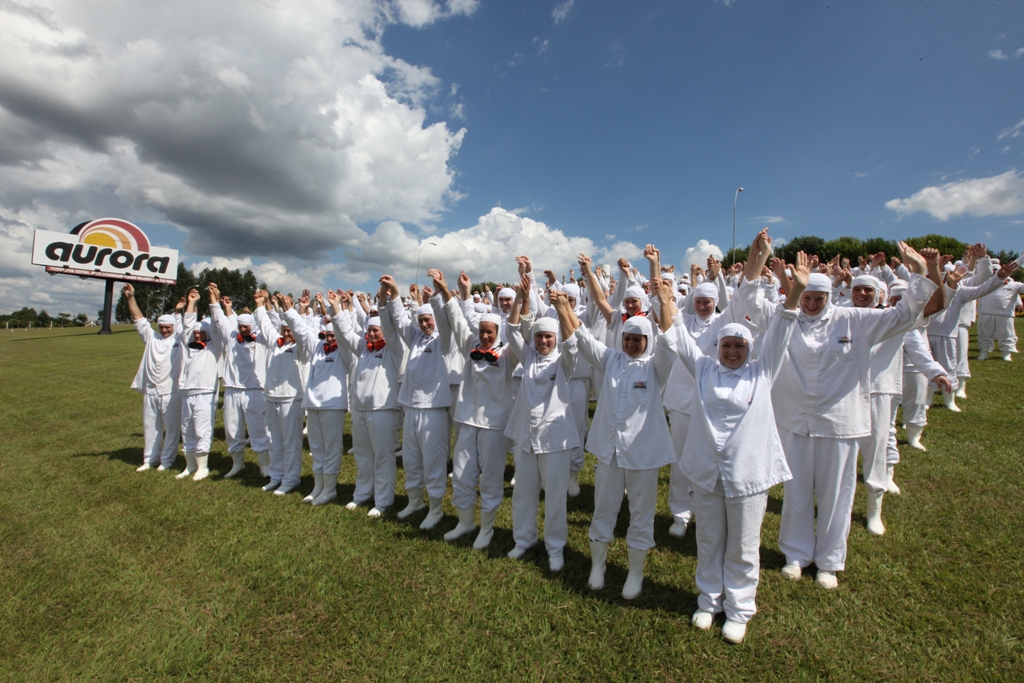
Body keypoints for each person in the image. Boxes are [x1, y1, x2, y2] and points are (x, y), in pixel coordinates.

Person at [730, 238, 938, 589]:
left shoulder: (854, 319)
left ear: (830, 297)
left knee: (836, 495)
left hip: (839, 422)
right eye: (807, 297)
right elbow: (747, 299)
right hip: (794, 420)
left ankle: (828, 560)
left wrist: (919, 273)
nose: (810, 304)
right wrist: (759, 256)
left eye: (819, 299)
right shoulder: (786, 315)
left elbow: (904, 316)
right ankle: (796, 554)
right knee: (795, 492)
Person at [659, 252, 808, 644]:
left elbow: (782, 330)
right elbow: (678, 336)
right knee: (708, 539)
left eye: (739, 346)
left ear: (749, 349)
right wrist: (665, 298)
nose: (732, 352)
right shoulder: (704, 367)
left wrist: (797, 292)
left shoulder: (763, 370)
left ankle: (739, 609)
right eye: (726, 345)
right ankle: (709, 601)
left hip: (748, 473)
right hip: (708, 470)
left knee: (743, 544)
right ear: (718, 346)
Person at [563, 278, 675, 599]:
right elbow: (583, 339)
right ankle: (598, 564)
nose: (631, 343)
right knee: (604, 508)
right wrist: (563, 309)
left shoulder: (656, 367)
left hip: (643, 455)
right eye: (627, 338)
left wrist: (665, 303)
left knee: (642, 512)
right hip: (609, 453)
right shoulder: (610, 360)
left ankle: (635, 571)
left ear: (647, 340)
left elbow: (669, 342)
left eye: (638, 339)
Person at [429, 269, 519, 547]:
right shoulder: (470, 344)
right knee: (463, 472)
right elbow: (457, 319)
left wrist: (521, 299)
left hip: (494, 425)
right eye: (481, 332)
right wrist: (445, 289)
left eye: (489, 332)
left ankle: (487, 528)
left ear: (498, 332)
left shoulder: (509, 354)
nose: (484, 336)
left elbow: (516, 331)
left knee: (491, 479)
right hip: (467, 419)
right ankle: (465, 522)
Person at [504, 278, 579, 571]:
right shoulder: (527, 357)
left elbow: (573, 344)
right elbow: (511, 330)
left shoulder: (564, 361)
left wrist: (562, 311)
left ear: (555, 338)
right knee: (523, 492)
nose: (544, 342)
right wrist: (522, 297)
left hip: (555, 439)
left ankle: (555, 547)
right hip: (525, 435)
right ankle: (523, 540)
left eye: (549, 337)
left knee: (555, 496)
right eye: (539, 338)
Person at [381, 275, 457, 530]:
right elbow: (402, 321)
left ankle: (436, 508)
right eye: (422, 320)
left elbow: (446, 325)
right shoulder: (414, 338)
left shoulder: (443, 341)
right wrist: (393, 293)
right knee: (411, 459)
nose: (425, 325)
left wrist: (437, 294)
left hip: (434, 409)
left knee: (433, 460)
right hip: (411, 407)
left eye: (429, 320)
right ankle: (415, 501)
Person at [332, 285, 405, 517]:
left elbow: (393, 330)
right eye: (370, 331)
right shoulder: (364, 348)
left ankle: (383, 500)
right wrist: (336, 309)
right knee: (364, 455)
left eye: (377, 331)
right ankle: (362, 494)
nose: (372, 334)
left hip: (384, 409)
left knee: (383, 456)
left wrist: (383, 301)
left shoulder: (395, 349)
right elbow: (345, 333)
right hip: (361, 409)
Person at [284, 292, 351, 505]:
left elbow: (345, 331)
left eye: (333, 336)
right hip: (312, 404)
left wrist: (335, 307)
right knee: (316, 448)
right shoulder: (318, 347)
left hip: (333, 406)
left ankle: (330, 488)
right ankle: (318, 486)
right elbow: (302, 332)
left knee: (331, 448)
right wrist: (289, 310)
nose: (330, 339)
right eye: (327, 335)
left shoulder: (346, 352)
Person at [209, 283, 269, 480]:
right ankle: (237, 464)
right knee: (232, 428)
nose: (242, 330)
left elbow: (270, 325)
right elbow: (219, 320)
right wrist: (214, 299)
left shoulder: (262, 338)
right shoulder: (232, 337)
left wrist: (263, 304)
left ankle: (264, 466)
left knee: (257, 429)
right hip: (233, 390)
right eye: (240, 326)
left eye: (246, 327)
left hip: (255, 390)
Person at [253, 289, 308, 496]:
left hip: (291, 399)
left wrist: (291, 311)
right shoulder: (276, 344)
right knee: (273, 439)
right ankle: (276, 476)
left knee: (290, 441)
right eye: (284, 331)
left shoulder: (302, 348)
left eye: (289, 331)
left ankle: (291, 479)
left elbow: (301, 332)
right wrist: (260, 304)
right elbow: (265, 326)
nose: (286, 334)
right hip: (271, 397)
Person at [124, 283, 183, 472]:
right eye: (162, 327)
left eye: (168, 327)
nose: (164, 330)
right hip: (150, 390)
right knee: (151, 427)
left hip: (171, 391)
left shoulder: (179, 340)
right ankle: (149, 459)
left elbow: (187, 325)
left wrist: (179, 311)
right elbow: (138, 318)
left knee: (172, 429)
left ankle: (167, 460)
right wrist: (130, 298)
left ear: (173, 326)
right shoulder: (152, 337)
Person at [177, 288, 223, 481]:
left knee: (202, 428)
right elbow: (187, 325)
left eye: (201, 333)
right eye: (195, 333)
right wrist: (192, 302)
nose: (197, 336)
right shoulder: (188, 346)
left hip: (205, 392)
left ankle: (203, 466)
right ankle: (189, 465)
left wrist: (214, 299)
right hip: (187, 391)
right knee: (186, 428)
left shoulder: (215, 346)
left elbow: (216, 325)